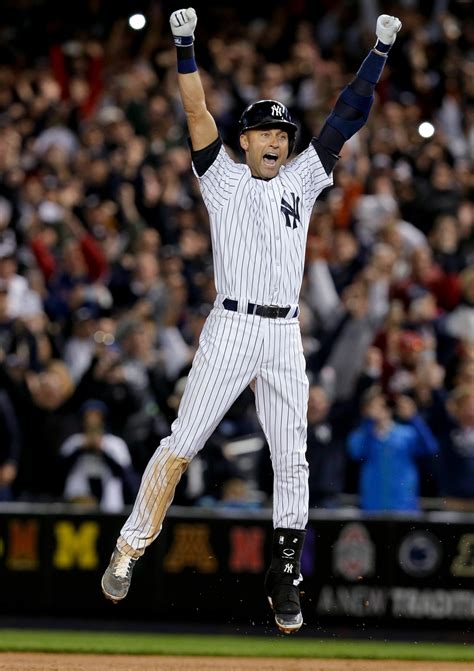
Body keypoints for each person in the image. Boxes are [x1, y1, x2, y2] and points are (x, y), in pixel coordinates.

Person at [101, 7, 402, 634]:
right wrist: (185, 45)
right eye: (266, 132)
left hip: (284, 332)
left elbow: (347, 114)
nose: (278, 140)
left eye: (284, 133)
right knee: (182, 444)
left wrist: (377, 52)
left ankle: (283, 577)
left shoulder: (303, 179)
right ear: (245, 139)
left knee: (293, 459)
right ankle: (130, 547)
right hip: (232, 327)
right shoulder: (223, 181)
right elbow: (195, 113)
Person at [348, 387, 438, 512]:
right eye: (375, 406)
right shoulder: (360, 435)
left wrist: (413, 418)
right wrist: (369, 422)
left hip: (404, 506)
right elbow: (357, 453)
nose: (381, 410)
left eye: (384, 406)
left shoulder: (407, 433)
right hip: (372, 507)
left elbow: (431, 448)